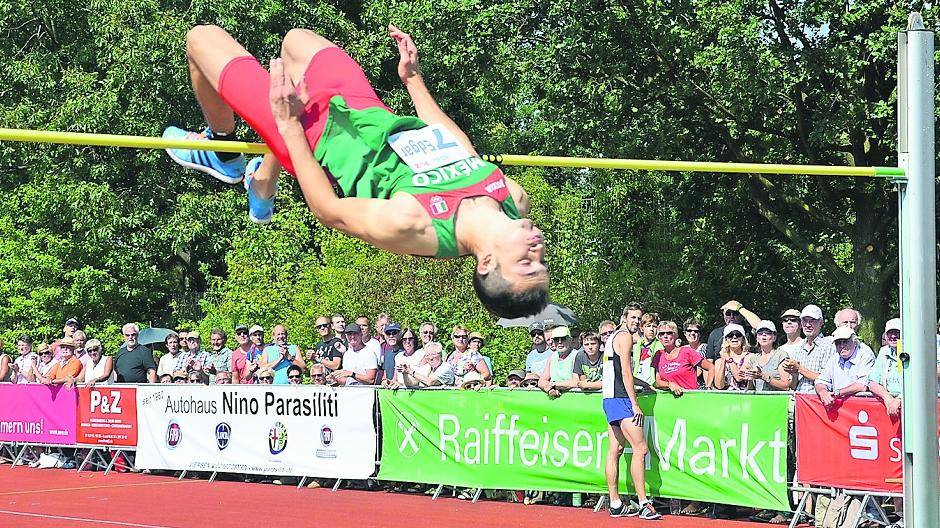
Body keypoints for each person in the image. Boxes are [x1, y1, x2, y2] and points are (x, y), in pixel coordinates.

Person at [164, 24, 548, 318]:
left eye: (526, 263)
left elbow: (328, 210)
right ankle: (260, 188)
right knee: (296, 41)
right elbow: (455, 147)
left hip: (314, 135)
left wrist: (287, 124)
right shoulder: (513, 197)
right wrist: (413, 80)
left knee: (201, 39)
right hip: (363, 108)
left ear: (485, 263)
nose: (538, 251)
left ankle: (223, 150)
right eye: (541, 262)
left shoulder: (413, 224)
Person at [603, 319, 661, 519]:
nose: (636, 321)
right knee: (641, 448)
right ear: (624, 319)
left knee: (616, 449)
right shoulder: (625, 337)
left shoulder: (612, 337)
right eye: (633, 317)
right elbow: (626, 372)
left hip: (609, 398)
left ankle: (615, 503)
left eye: (639, 318)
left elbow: (620, 372)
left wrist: (644, 384)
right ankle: (644, 503)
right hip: (621, 399)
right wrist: (635, 403)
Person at [814, 326, 875, 408]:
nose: (841, 346)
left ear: (854, 341)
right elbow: (820, 381)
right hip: (841, 409)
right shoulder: (834, 358)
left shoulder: (865, 355)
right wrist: (823, 392)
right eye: (838, 343)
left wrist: (838, 392)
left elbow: (862, 385)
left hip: (862, 407)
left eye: (845, 341)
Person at [783, 304, 837, 393]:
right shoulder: (797, 348)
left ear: (821, 322)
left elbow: (826, 379)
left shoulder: (829, 345)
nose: (808, 325)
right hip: (799, 400)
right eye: (805, 320)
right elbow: (793, 386)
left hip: (818, 402)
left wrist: (799, 369)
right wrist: (794, 373)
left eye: (812, 321)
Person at [653, 321, 715, 396]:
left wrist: (708, 388)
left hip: (690, 398)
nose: (665, 336)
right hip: (669, 400)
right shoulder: (658, 355)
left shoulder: (687, 352)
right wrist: (670, 384)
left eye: (669, 333)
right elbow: (658, 382)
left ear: (675, 335)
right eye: (662, 334)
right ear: (659, 337)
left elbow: (711, 367)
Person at [743, 321, 793, 391]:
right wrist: (750, 379)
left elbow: (786, 386)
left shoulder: (781, 355)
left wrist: (763, 376)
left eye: (768, 333)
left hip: (777, 400)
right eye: (760, 333)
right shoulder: (753, 358)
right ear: (757, 337)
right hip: (758, 400)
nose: (764, 335)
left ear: (774, 337)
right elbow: (751, 389)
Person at [538, 326, 579, 398]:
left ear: (570, 340)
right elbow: (542, 380)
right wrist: (548, 389)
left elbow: (576, 382)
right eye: (556, 339)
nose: (560, 342)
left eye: (563, 339)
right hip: (555, 398)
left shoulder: (577, 356)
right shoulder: (552, 357)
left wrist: (555, 385)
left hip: (574, 397)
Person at [713, 324, 754, 391]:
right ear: (726, 339)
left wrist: (728, 359)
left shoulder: (749, 357)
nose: (734, 337)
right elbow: (719, 385)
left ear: (743, 339)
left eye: (738, 335)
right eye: (730, 335)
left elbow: (739, 377)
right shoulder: (719, 361)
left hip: (745, 398)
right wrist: (724, 360)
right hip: (726, 399)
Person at [631, 313, 662, 388]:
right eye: (648, 326)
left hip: (652, 387)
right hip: (636, 387)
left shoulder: (661, 346)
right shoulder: (635, 347)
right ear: (642, 328)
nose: (651, 329)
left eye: (654, 326)